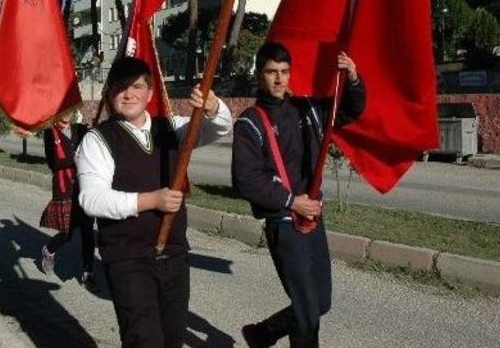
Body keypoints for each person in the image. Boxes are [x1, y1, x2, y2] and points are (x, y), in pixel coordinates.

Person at [75, 57, 232, 348]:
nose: (129, 94)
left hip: (173, 255)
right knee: (143, 340)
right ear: (110, 94)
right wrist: (151, 200)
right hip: (128, 258)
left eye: (137, 87)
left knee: (172, 339)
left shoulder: (171, 127)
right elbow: (92, 199)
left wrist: (213, 108)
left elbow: (219, 128)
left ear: (150, 93)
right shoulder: (97, 140)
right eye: (121, 88)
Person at [234, 42, 365, 348]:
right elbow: (246, 180)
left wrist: (354, 78)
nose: (279, 79)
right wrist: (292, 201)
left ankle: (262, 333)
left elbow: (347, 111)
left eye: (284, 72)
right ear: (258, 75)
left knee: (320, 303)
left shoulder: (308, 109)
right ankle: (268, 335)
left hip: (313, 223)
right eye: (271, 72)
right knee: (307, 316)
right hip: (284, 225)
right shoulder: (249, 123)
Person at [38, 109, 96, 290]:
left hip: (85, 185)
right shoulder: (50, 133)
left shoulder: (81, 129)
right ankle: (49, 250)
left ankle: (88, 273)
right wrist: (75, 159)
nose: (66, 114)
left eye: (69, 110)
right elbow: (53, 162)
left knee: (88, 231)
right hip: (64, 188)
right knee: (67, 232)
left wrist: (95, 130)